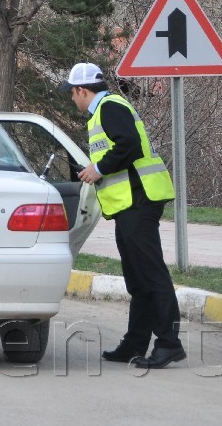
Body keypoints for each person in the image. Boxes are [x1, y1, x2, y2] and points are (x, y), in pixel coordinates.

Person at [61, 62, 185, 369]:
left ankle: (169, 343)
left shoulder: (109, 107)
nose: (72, 99)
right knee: (137, 277)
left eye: (72, 93)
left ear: (82, 90)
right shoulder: (103, 111)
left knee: (151, 273)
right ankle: (134, 343)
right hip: (129, 204)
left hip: (139, 200)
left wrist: (98, 169)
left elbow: (128, 144)